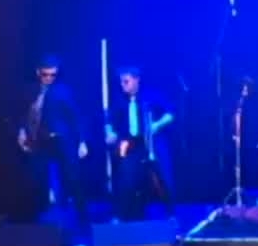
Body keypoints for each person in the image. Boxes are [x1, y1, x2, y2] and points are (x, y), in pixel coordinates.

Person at [16, 54, 89, 224]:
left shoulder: (63, 91)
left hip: (62, 140)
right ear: (38, 72)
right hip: (40, 141)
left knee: (73, 179)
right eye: (45, 74)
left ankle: (83, 221)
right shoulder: (30, 91)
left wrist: (82, 141)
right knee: (35, 179)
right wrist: (21, 132)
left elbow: (76, 116)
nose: (49, 78)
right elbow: (22, 114)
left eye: (53, 75)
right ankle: (35, 222)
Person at [104, 66, 176, 219]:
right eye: (121, 82)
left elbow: (170, 113)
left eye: (126, 82)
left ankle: (171, 213)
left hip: (153, 141)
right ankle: (125, 215)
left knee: (163, 177)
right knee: (126, 178)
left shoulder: (151, 96)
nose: (123, 85)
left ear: (136, 80)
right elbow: (110, 121)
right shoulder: (119, 100)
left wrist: (157, 125)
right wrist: (110, 133)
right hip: (132, 143)